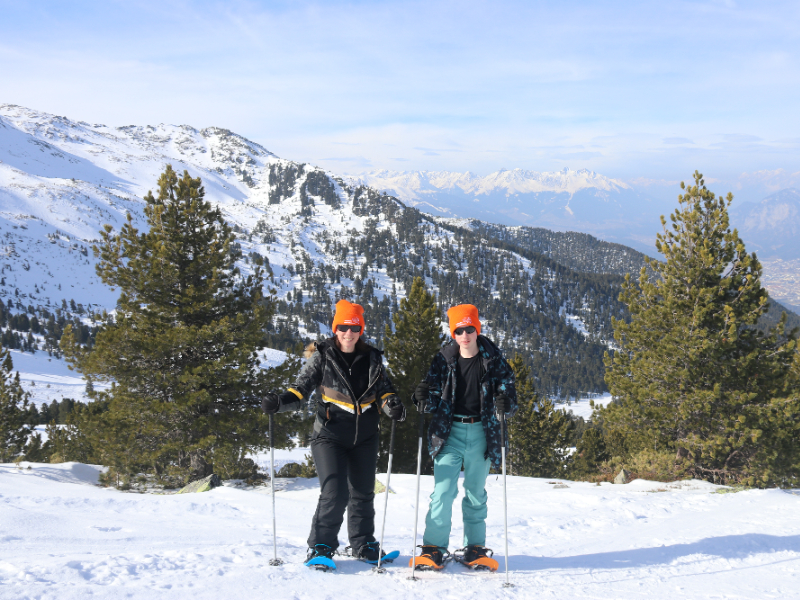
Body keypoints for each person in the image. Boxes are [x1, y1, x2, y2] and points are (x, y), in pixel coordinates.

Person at [262, 299, 406, 568]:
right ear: (334, 328)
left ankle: (363, 544)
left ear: (360, 330)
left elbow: (385, 391)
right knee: (335, 492)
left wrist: (392, 406)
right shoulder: (323, 356)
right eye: (343, 327)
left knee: (363, 492)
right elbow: (300, 390)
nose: (348, 333)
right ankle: (321, 547)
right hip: (329, 436)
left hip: (365, 437)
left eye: (354, 328)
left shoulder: (373, 357)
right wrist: (279, 402)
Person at [410, 304, 517, 570]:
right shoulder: (443, 360)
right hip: (448, 433)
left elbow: (509, 393)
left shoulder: (493, 360)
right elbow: (431, 396)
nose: (465, 335)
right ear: (453, 333)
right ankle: (433, 548)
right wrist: (420, 398)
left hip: (483, 433)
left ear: (477, 330)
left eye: (469, 329)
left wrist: (506, 404)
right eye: (459, 330)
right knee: (443, 491)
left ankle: (475, 548)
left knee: (475, 493)